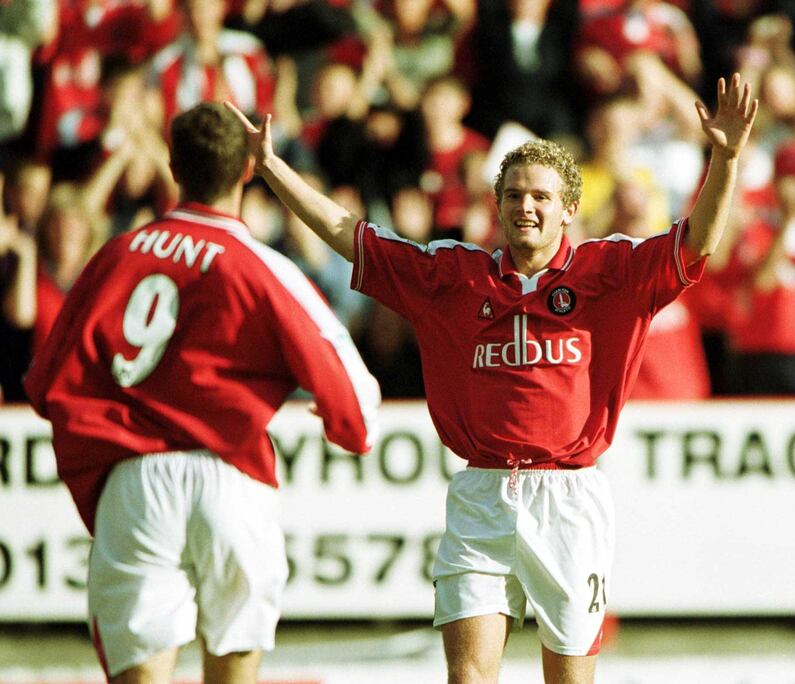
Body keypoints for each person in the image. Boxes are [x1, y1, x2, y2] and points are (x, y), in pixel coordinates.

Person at [226, 71, 757, 683]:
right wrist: (271, 168)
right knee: (470, 677)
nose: (525, 207)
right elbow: (353, 236)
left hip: (569, 497)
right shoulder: (452, 275)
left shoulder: (609, 271)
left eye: (540, 197)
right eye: (513, 195)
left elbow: (697, 242)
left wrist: (725, 158)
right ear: (496, 202)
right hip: (480, 495)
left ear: (569, 210)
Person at [23, 102, 381, 683]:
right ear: (246, 171)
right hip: (229, 476)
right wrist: (344, 422)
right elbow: (356, 401)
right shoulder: (263, 266)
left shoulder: (115, 255)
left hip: (136, 476)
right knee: (235, 659)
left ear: (173, 166)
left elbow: (45, 383)